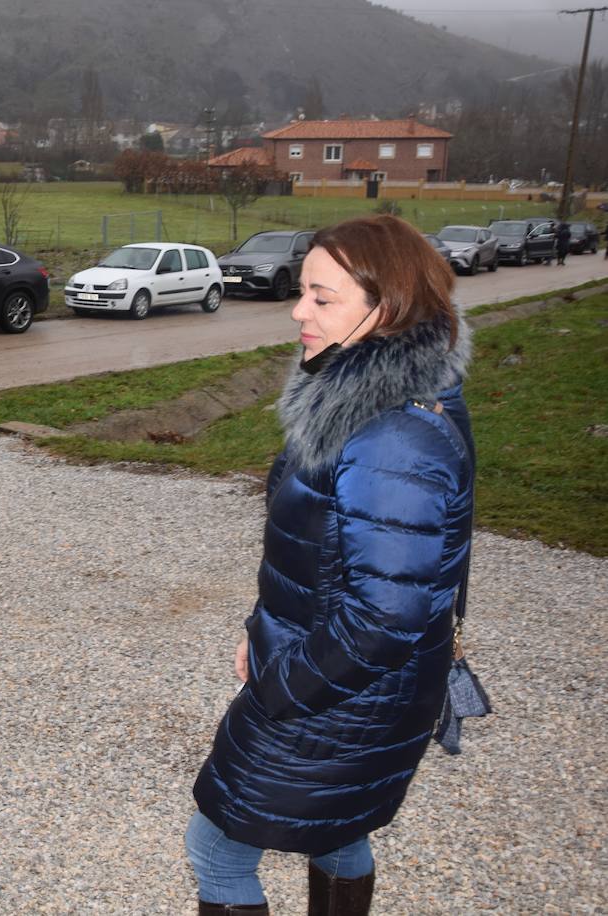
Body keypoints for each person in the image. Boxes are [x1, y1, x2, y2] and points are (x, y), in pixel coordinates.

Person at [187, 215, 475, 915]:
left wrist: (278, 684)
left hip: (340, 696)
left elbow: (385, 617)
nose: (298, 310)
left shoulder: (391, 436)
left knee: (217, 852)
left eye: (322, 297)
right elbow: (323, 560)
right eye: (302, 292)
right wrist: (261, 629)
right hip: (365, 690)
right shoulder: (377, 399)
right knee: (339, 830)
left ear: (387, 307)